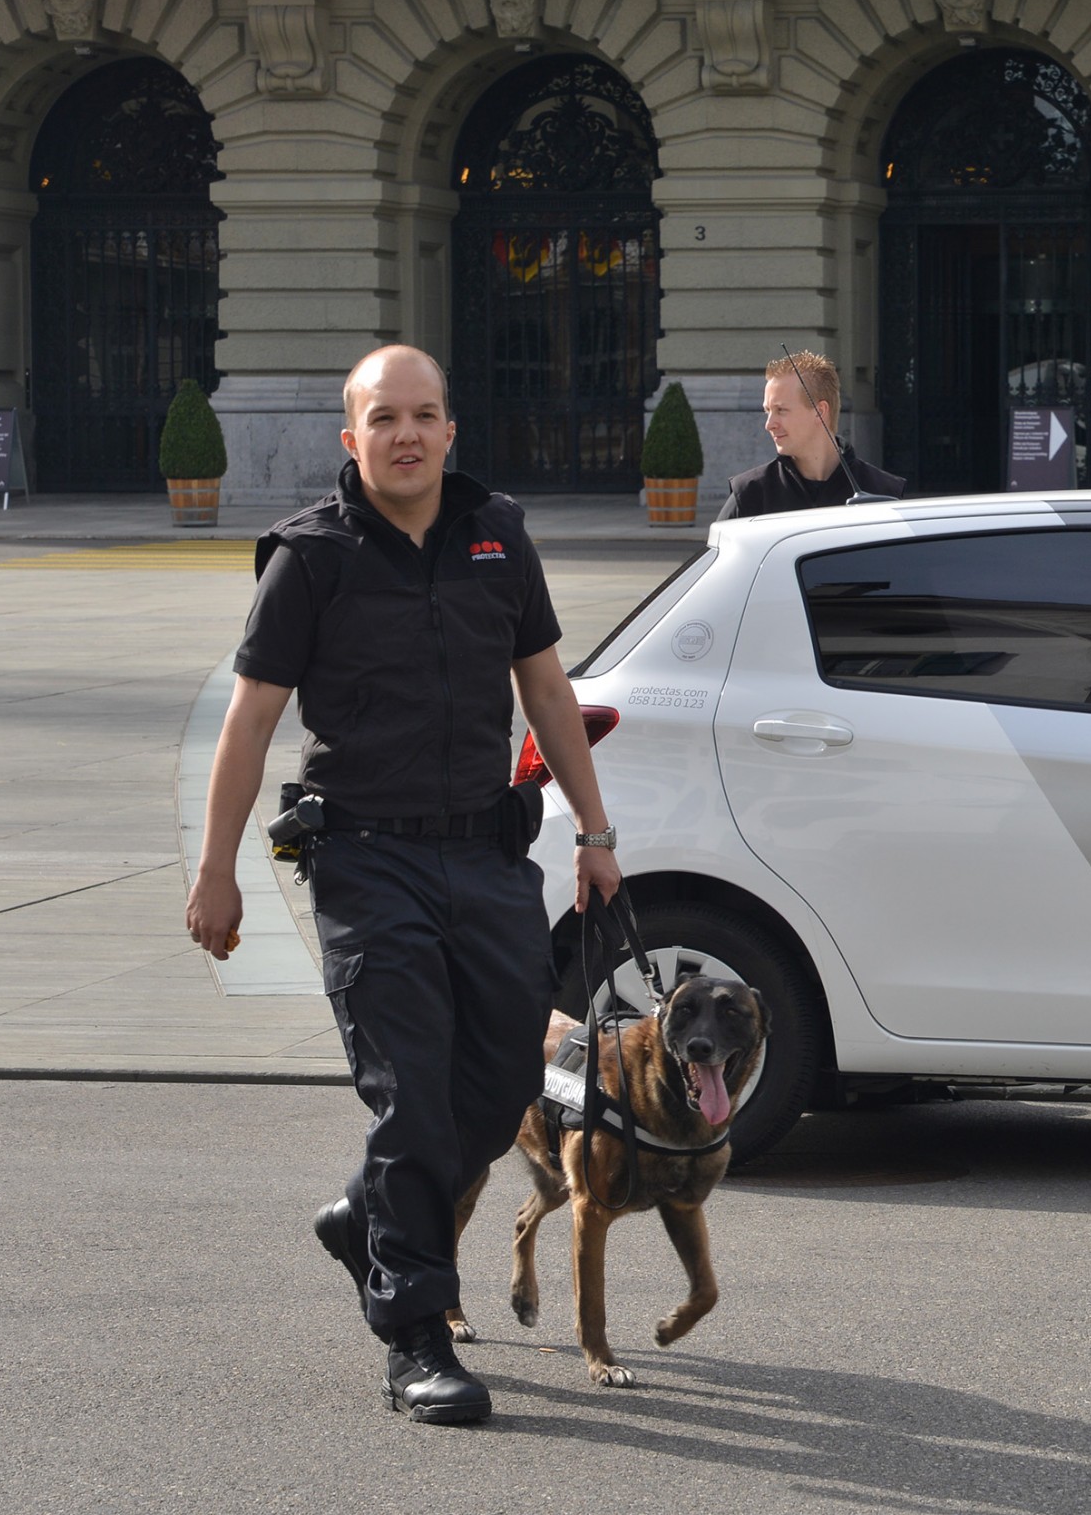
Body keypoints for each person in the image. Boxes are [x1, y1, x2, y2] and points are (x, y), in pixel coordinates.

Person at [185, 345, 623, 1426]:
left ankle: (366, 1214)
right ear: (353, 436)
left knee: (497, 1077)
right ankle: (415, 1327)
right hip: (367, 858)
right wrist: (216, 869)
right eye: (385, 418)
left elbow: (547, 689)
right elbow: (249, 721)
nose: (407, 434)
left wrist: (597, 830)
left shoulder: (496, 535)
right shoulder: (311, 557)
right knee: (412, 1088)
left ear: (450, 428)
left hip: (484, 852)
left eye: (425, 414)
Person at [716, 350, 905, 518]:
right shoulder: (750, 494)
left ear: (820, 411)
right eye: (768, 411)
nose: (769, 424)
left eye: (781, 410)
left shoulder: (883, 493)